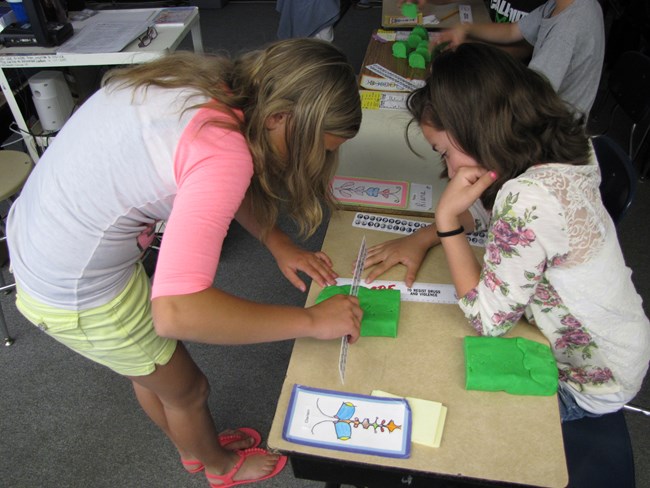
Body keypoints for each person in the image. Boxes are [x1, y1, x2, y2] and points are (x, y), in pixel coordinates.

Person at [6, 39, 363, 487]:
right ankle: (217, 466)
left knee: (154, 369)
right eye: (319, 148)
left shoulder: (219, 82)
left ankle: (191, 448)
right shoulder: (225, 152)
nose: (322, 160)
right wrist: (311, 321)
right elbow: (179, 311)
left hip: (48, 240)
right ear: (278, 119)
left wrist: (275, 241)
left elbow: (207, 178)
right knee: (187, 389)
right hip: (75, 288)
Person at [363, 43, 650, 422]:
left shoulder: (528, 197)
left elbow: (488, 320)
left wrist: (447, 220)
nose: (449, 171)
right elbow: (493, 220)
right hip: (622, 342)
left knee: (449, 408)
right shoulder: (562, 146)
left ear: (475, 130)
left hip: (588, 383)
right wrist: (422, 237)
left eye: (444, 152)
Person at [432, 0, 605, 116]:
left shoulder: (567, 29)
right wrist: (466, 29)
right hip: (540, 108)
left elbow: (530, 97)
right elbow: (513, 31)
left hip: (553, 130)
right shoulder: (560, 4)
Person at [399, 0, 546, 60]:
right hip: (489, 48)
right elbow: (512, 30)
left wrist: (476, 49)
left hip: (512, 70)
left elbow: (527, 45)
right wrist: (467, 29)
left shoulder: (546, 7)